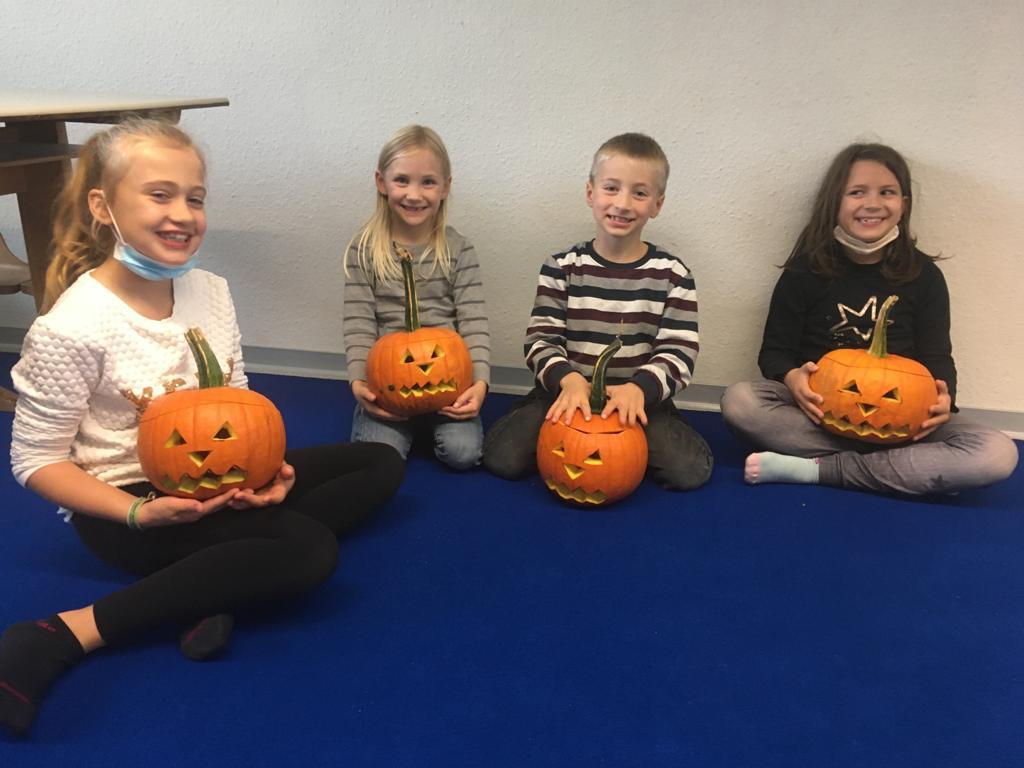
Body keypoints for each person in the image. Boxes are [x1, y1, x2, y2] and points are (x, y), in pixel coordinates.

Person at [0, 118, 404, 736]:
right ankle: (64, 632)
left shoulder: (210, 292)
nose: (183, 215)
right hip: (128, 505)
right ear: (103, 207)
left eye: (195, 198)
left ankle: (209, 586)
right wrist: (140, 514)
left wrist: (270, 473)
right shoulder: (70, 328)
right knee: (309, 549)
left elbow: (236, 401)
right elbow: (34, 461)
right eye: (159, 195)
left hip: (219, 479)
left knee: (378, 463)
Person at [720, 143, 1018, 494]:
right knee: (740, 402)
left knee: (997, 453)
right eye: (857, 192)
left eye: (886, 192)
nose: (873, 203)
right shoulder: (804, 271)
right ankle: (902, 470)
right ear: (834, 201)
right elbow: (774, 352)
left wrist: (944, 399)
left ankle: (819, 470)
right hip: (821, 416)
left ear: (903, 203)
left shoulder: (925, 276)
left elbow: (938, 355)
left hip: (904, 422)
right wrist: (792, 377)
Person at [482, 132, 713, 490]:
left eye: (639, 193)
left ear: (657, 204)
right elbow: (541, 341)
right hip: (565, 392)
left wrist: (639, 390)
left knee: (689, 471)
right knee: (502, 458)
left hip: (639, 399)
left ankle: (624, 450)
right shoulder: (561, 267)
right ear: (591, 193)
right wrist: (568, 380)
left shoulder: (673, 275)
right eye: (611, 188)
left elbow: (679, 351)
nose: (623, 203)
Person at [343, 125, 489, 470]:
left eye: (428, 182)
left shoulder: (458, 249)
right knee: (378, 459)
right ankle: (399, 427)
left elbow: (474, 320)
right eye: (402, 180)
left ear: (445, 187)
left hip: (448, 383)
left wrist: (480, 382)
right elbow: (357, 321)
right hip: (389, 384)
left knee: (463, 454)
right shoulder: (364, 250)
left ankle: (429, 425)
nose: (414, 194)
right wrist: (358, 382)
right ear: (381, 182)